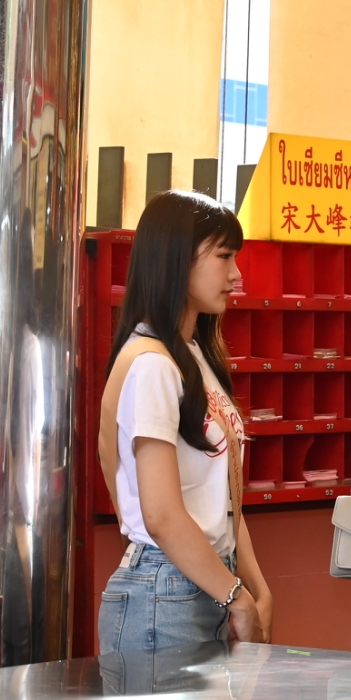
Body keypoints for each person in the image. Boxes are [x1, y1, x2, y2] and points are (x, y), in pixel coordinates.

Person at [98, 190, 272, 653]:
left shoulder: (192, 355)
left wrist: (256, 587)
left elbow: (223, 499)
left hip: (205, 580)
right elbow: (161, 515)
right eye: (224, 256)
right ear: (176, 259)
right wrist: (237, 597)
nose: (236, 275)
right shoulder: (153, 364)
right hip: (167, 592)